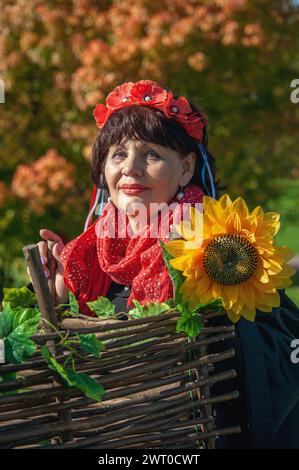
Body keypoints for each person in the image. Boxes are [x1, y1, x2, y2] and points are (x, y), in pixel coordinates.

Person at [27, 80, 299, 449]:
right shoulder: (87, 251)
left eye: (151, 155)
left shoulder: (213, 244)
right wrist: (58, 292)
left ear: (185, 168)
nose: (130, 169)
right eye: (118, 154)